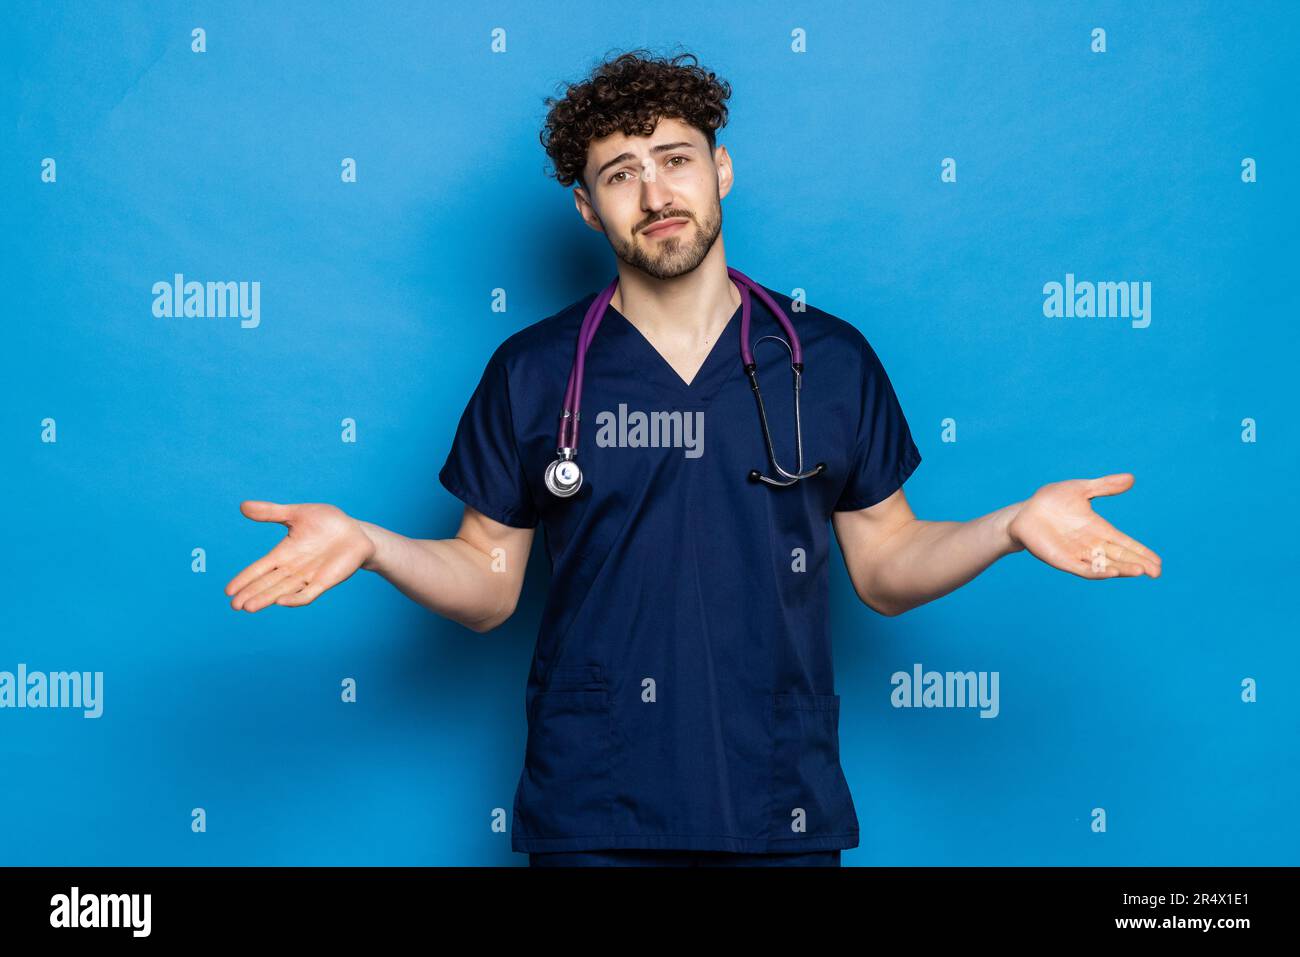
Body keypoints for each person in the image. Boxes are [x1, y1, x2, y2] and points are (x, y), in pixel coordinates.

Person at [223, 49, 1162, 868]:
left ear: (721, 170)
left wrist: (1008, 526)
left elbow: (885, 567)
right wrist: (373, 544)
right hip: (594, 805)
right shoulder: (535, 372)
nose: (656, 191)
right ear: (587, 208)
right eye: (620, 173)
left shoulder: (825, 360)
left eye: (675, 160)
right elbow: (487, 584)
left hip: (778, 799)